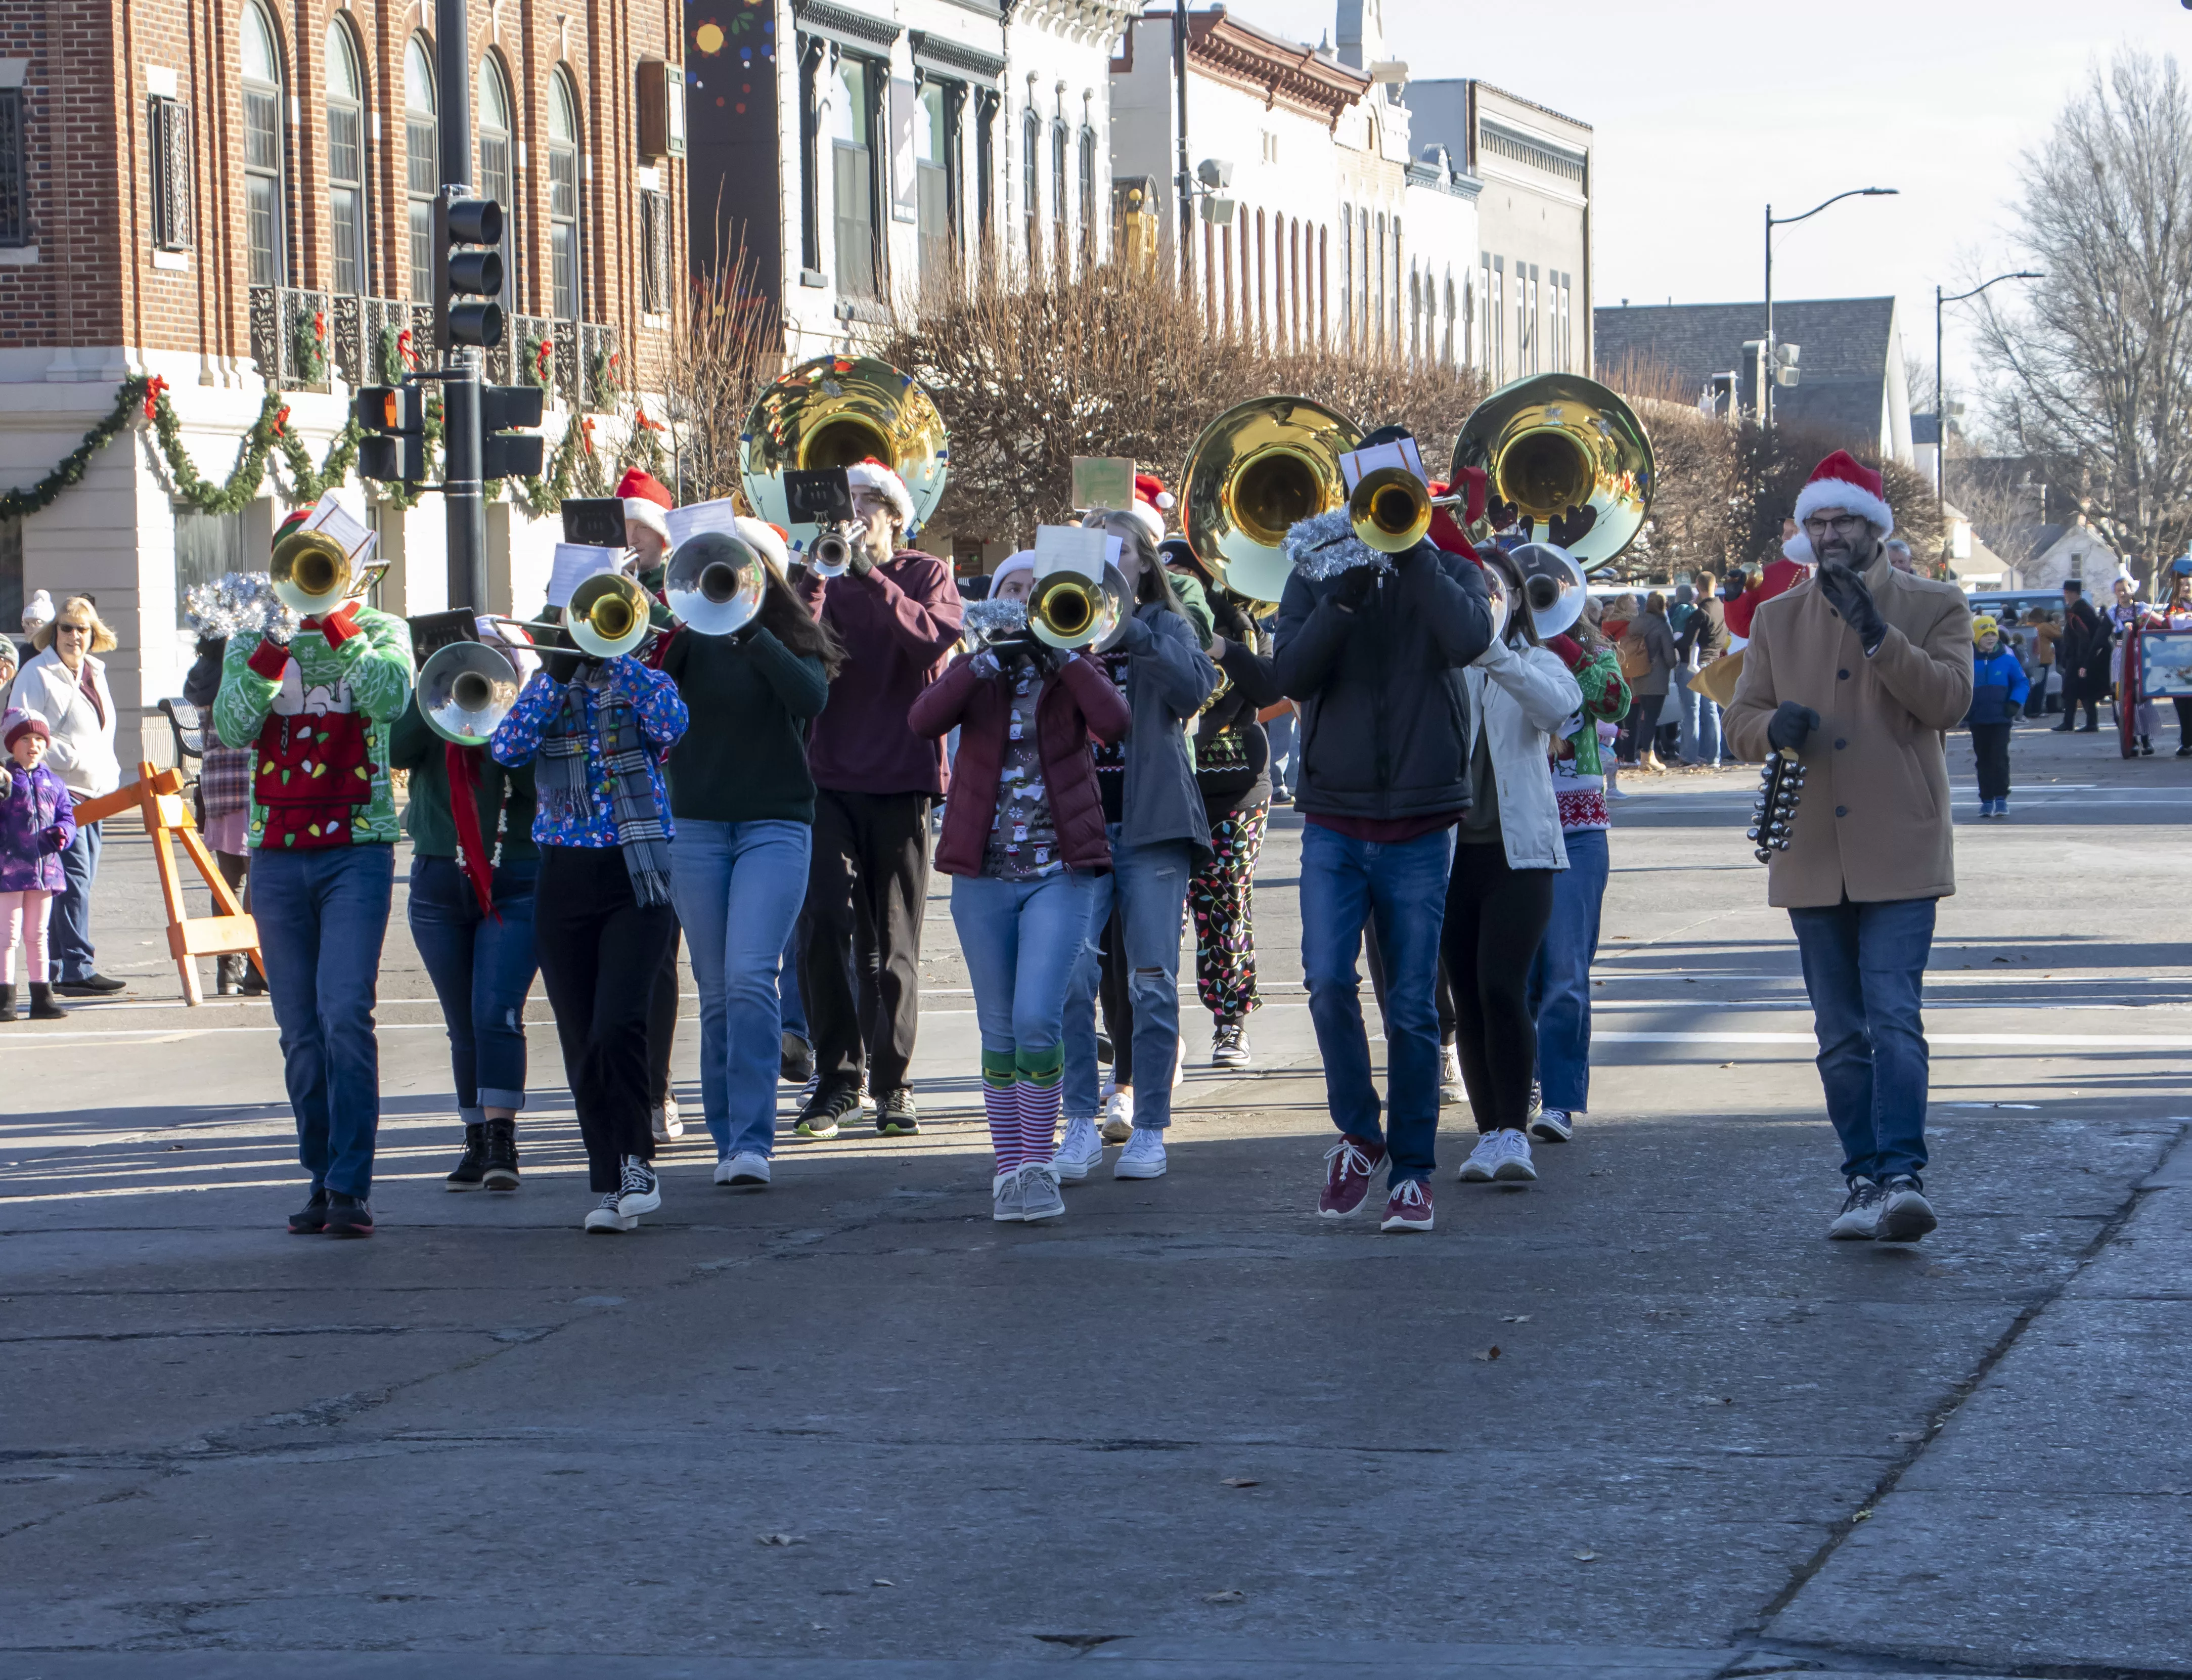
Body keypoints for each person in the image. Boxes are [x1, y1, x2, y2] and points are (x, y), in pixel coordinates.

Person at [1213, 426, 1494, 1233]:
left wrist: (1411, 555)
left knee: (1409, 1004)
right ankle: (1357, 1134)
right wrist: (1339, 595)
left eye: (1397, 488)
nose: (1384, 503)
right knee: (1328, 980)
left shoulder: (1449, 563)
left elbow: (1470, 638)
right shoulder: (1315, 569)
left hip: (1419, 817)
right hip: (1334, 816)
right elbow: (1286, 675)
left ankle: (1411, 1170)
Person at [1724, 451, 1972, 1245]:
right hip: (1809, 848)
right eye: (1816, 522)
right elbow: (1739, 723)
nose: (1828, 534)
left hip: (1898, 842)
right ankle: (1861, 1175)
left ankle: (1901, 1175)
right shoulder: (1774, 619)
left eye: (1842, 521)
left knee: (1893, 1016)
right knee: (1837, 1032)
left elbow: (1949, 701)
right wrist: (1772, 728)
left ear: (1873, 528)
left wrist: (1876, 632)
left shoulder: (1934, 603)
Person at [214, 520, 414, 1238]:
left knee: (343, 1016)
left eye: (325, 562)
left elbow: (390, 698)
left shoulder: (382, 629)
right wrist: (271, 647)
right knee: (299, 1031)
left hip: (355, 849)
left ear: (352, 566)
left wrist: (333, 626)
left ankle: (351, 1182)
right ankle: (320, 1172)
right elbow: (234, 726)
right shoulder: (251, 639)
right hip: (276, 853)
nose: (311, 574)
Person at [911, 581, 1132, 1221]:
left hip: (1059, 872)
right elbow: (923, 719)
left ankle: (1039, 1163)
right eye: (1009, 589)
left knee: (1039, 1016)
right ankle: (1009, 1170)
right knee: (1000, 1027)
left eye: (1031, 593)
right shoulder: (976, 671)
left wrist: (1062, 653)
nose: (1020, 602)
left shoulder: (1073, 668)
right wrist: (985, 659)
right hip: (981, 875)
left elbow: (1114, 722)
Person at [490, 611, 688, 1234]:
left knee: (617, 1023)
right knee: (579, 1036)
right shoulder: (547, 689)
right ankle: (607, 1180)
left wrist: (620, 660)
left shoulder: (642, 681)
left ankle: (637, 1163)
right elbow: (507, 747)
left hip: (638, 870)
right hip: (564, 874)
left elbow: (672, 725)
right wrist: (553, 675)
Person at [661, 524, 839, 1191]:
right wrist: (674, 626)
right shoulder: (685, 638)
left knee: (746, 976)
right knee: (715, 992)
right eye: (714, 569)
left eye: (738, 567)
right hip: (699, 826)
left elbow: (810, 698)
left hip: (774, 824)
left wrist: (748, 630)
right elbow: (648, 702)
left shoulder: (791, 635)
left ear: (764, 570)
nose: (724, 577)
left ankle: (752, 1140)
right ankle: (727, 1136)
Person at [791, 459, 965, 1141]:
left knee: (893, 943)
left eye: (866, 500)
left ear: (895, 513)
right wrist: (817, 574)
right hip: (826, 776)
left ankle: (893, 1083)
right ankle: (837, 1079)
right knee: (824, 927)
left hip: (900, 778)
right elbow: (795, 644)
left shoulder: (925, 573)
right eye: (845, 501)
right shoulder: (821, 572)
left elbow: (932, 638)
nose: (852, 510)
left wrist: (867, 572)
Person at [1051, 508, 1217, 1184]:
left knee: (1149, 981)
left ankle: (1148, 1126)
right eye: (1093, 550)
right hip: (1079, 829)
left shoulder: (1165, 624)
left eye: (1117, 551)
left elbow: (1196, 688)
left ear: (1143, 564)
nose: (1104, 561)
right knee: (1068, 977)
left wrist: (1136, 633)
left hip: (1150, 827)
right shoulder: (1061, 621)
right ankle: (1080, 1121)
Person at [388, 621, 543, 1193]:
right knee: (462, 1025)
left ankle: (503, 1137)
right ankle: (476, 1137)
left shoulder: (522, 710)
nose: (484, 665)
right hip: (437, 877)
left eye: (497, 655)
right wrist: (431, 685)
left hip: (516, 878)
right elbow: (396, 749)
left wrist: (503, 716)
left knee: (495, 1012)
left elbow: (532, 785)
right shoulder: (434, 705)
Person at [1446, 548, 1583, 1188]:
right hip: (1447, 857)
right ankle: (1487, 1133)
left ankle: (1513, 1131)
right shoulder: (1441, 666)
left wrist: (1493, 651)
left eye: (1493, 589)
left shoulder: (1536, 660)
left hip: (1520, 854)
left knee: (1503, 985)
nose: (1484, 597)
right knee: (1467, 997)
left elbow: (1560, 712)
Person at [1527, 593, 1630, 1142]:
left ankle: (1560, 1099)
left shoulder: (1593, 650)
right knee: (1518, 973)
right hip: (1513, 823)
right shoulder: (1499, 645)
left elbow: (1615, 703)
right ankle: (1518, 1082)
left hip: (1580, 827)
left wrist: (1563, 638)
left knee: (1566, 970)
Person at [616, 467, 689, 1143]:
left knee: (660, 952)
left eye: (635, 525)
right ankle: (623, 1088)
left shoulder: (683, 588)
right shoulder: (582, 592)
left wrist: (640, 603)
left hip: (665, 793)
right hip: (598, 797)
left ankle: (659, 1090)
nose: (625, 537)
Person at [8, 596, 123, 995]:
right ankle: (76, 964)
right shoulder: (37, 672)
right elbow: (18, 726)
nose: (74, 636)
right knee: (73, 877)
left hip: (96, 790)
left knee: (76, 878)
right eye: (66, 628)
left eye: (82, 629)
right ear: (53, 633)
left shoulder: (96, 671)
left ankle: (59, 966)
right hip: (55, 791)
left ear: (94, 635)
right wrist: (67, 756)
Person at [1186, 588, 1272, 1069]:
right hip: (1168, 789)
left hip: (1237, 791)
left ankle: (1231, 1021)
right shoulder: (1146, 620)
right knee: (1153, 918)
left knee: (1226, 905)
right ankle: (1140, 1032)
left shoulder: (1238, 625)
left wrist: (1228, 639)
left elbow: (1268, 687)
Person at [184, 629, 262, 995]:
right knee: (258, 875)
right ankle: (257, 967)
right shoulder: (241, 671)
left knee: (228, 878)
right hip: (248, 779)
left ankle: (228, 967)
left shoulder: (201, 675)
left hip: (216, 782)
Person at [1, 708, 75, 1022]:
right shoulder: (5, 780)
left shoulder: (55, 783)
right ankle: (5, 999)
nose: (33, 744)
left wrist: (63, 834)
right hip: (8, 871)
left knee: (38, 934)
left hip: (45, 871)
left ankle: (42, 998)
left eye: (39, 739)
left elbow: (68, 817)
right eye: (25, 738)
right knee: (8, 936)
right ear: (12, 745)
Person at [1965, 615, 2029, 819]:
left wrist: (2014, 703)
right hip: (1978, 718)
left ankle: (2001, 797)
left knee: (1999, 758)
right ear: (1976, 636)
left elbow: (2022, 682)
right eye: (1985, 635)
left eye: (1993, 634)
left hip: (2001, 719)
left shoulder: (2007, 659)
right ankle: (1986, 800)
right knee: (1983, 760)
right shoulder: (1968, 660)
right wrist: (1964, 708)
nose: (1991, 638)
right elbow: (1959, 682)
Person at [1676, 569, 1729, 767]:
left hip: (1695, 665)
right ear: (1715, 586)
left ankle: (1689, 756)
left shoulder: (1700, 613)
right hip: (1715, 663)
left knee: (1692, 711)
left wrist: (1674, 642)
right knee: (1712, 711)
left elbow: (1687, 643)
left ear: (1698, 588)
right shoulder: (1723, 609)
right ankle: (1715, 757)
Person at [2141, 560, 2192, 754]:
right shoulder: (2173, 608)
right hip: (2178, 662)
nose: (2187, 588)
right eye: (2184, 585)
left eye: (2190, 584)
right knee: (2181, 702)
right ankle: (2187, 741)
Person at [2055, 581, 2105, 732]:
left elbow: (2084, 639)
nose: (2065, 596)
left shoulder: (2080, 612)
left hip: (2079, 659)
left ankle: (2087, 723)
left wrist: (2083, 661)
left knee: (2079, 691)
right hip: (2078, 658)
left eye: (2066, 592)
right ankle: (2071, 722)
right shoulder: (2082, 610)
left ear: (2072, 593)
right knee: (2075, 691)